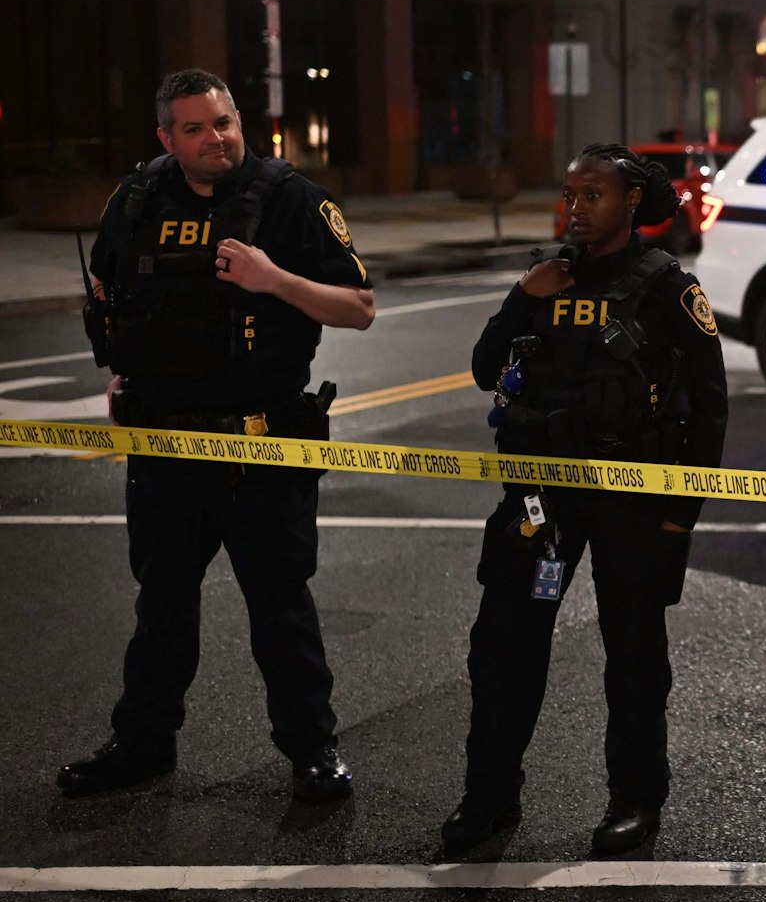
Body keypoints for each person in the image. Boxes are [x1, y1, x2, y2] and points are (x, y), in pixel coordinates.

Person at [58, 69, 375, 803]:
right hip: (164, 448)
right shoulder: (136, 200)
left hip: (257, 447)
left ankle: (311, 749)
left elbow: (358, 307)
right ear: (166, 137)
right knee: (161, 605)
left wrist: (273, 279)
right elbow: (109, 287)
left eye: (224, 122)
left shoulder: (291, 198)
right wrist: (120, 370)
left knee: (280, 608)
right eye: (195, 127)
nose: (215, 138)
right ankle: (142, 743)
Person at [442, 143, 729, 856]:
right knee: (504, 646)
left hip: (632, 495)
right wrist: (521, 297)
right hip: (543, 495)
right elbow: (485, 369)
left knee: (634, 655)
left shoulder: (665, 285)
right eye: (571, 195)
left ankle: (635, 800)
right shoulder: (547, 274)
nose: (577, 208)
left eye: (593, 195)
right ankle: (489, 797)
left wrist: (677, 516)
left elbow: (711, 407)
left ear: (631, 199)